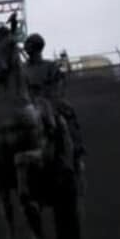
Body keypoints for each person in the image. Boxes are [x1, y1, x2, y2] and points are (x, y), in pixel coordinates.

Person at [22, 33, 85, 168]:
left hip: (47, 101)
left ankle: (77, 149)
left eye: (28, 44)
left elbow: (59, 83)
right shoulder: (22, 69)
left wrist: (52, 98)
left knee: (68, 113)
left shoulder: (50, 66)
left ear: (36, 47)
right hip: (28, 103)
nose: (25, 47)